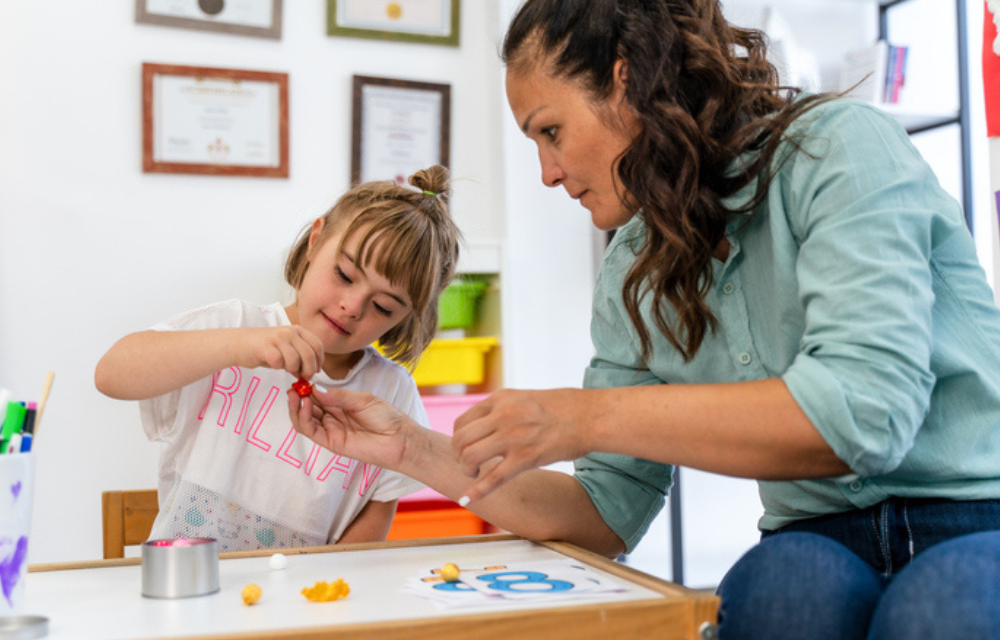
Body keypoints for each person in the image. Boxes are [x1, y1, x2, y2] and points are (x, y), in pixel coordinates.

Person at [288, 1, 1000, 638]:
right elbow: (602, 516)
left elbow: (864, 416)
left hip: (974, 511)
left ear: (627, 83)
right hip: (815, 535)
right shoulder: (632, 265)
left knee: (942, 607)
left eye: (551, 131)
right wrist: (409, 448)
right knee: (785, 594)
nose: (547, 171)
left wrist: (584, 419)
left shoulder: (839, 146)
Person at [95, 165, 461, 551]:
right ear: (315, 241)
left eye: (384, 307)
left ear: (407, 318)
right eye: (344, 274)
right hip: (188, 587)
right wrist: (240, 346)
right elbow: (111, 373)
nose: (352, 306)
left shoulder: (392, 392)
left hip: (302, 601)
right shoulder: (235, 326)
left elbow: (375, 514)